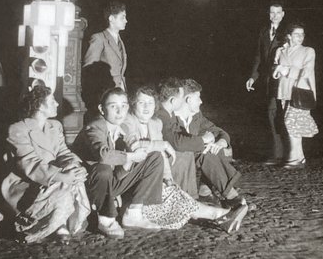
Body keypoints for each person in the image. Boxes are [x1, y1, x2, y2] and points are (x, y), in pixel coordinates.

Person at [120, 86, 244, 231]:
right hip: (133, 182)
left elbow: (161, 158)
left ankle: (220, 215)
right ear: (133, 104)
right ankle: (219, 214)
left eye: (150, 103)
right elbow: (135, 145)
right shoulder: (127, 121)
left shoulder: (155, 123)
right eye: (142, 103)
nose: (147, 107)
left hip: (151, 179)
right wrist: (162, 144)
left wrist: (167, 178)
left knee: (173, 191)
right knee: (171, 197)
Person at [1, 82, 91, 242]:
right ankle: (43, 226)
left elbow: (63, 152)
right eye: (52, 101)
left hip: (52, 177)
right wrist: (63, 176)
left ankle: (59, 223)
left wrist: (76, 167)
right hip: (28, 183)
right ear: (39, 106)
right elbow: (30, 165)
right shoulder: (18, 129)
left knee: (72, 174)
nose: (57, 104)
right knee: (64, 184)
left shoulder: (54, 126)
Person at [72, 87, 165, 238]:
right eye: (113, 106)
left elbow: (122, 168)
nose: (119, 111)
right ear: (102, 109)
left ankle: (134, 213)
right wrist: (130, 157)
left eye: (123, 106)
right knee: (103, 169)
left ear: (128, 107)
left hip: (111, 183)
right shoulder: (95, 126)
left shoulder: (124, 127)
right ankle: (106, 219)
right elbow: (103, 155)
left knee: (154, 158)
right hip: (90, 186)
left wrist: (133, 156)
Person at [156, 78, 246, 206]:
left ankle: (207, 191)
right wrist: (203, 141)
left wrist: (221, 142)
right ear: (188, 99)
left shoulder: (196, 116)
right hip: (174, 162)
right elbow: (177, 142)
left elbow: (218, 131)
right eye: (198, 97)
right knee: (205, 151)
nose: (201, 101)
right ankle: (230, 196)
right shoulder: (169, 116)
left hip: (189, 157)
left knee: (214, 149)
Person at [245, 3, 289, 162]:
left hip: (283, 79)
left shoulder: (287, 33)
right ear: (268, 14)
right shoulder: (263, 32)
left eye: (278, 12)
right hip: (267, 80)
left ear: (283, 14)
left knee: (277, 113)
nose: (275, 15)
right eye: (272, 12)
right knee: (271, 113)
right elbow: (259, 56)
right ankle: (277, 152)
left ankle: (282, 153)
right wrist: (253, 77)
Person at [273, 23, 318, 168]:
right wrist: (278, 68)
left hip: (300, 92)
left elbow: (307, 72)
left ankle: (294, 157)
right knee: (292, 126)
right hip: (284, 92)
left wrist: (285, 70)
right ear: (289, 36)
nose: (300, 37)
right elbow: (274, 69)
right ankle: (299, 158)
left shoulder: (308, 51)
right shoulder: (281, 51)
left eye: (302, 34)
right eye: (297, 34)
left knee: (291, 123)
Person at [83, 0, 128, 92]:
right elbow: (89, 69)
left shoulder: (120, 41)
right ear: (111, 18)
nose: (126, 21)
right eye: (122, 17)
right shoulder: (99, 38)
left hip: (120, 90)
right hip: (105, 92)